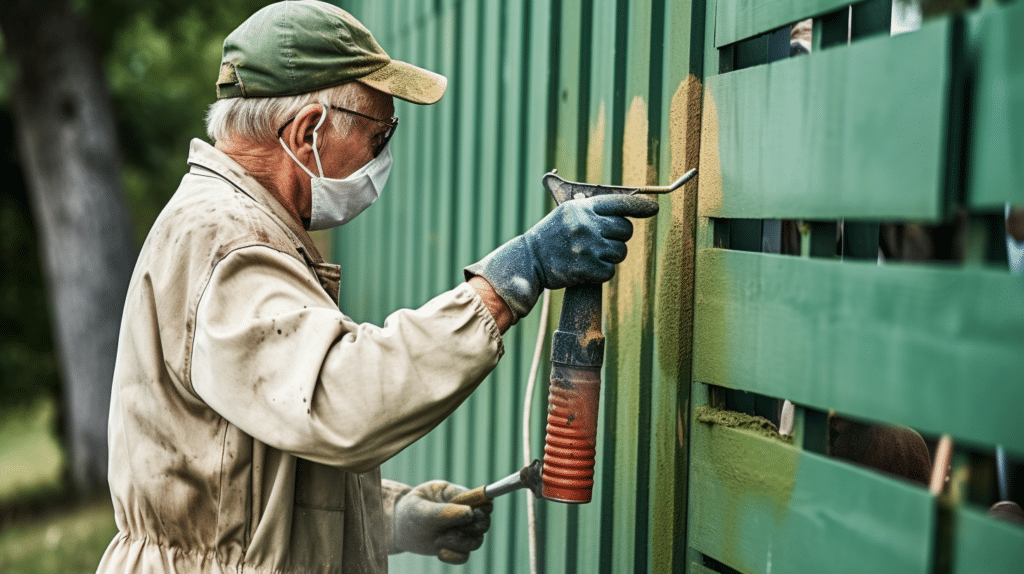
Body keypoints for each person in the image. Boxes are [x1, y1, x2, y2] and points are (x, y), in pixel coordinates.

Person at [95, 2, 658, 573]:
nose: (382, 154)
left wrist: (391, 515)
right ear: (308, 130)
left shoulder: (234, 224)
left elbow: (253, 455)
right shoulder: (227, 241)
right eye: (379, 132)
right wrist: (515, 275)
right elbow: (340, 402)